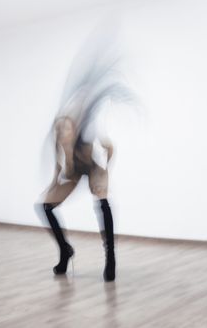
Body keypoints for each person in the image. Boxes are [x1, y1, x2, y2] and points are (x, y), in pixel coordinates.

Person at [35, 20, 133, 282]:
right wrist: (54, 182)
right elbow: (58, 160)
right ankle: (65, 251)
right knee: (44, 206)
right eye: (61, 131)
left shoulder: (85, 131)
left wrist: (105, 172)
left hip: (91, 166)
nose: (64, 132)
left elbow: (110, 147)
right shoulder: (58, 129)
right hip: (74, 171)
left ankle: (110, 256)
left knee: (102, 202)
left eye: (68, 130)